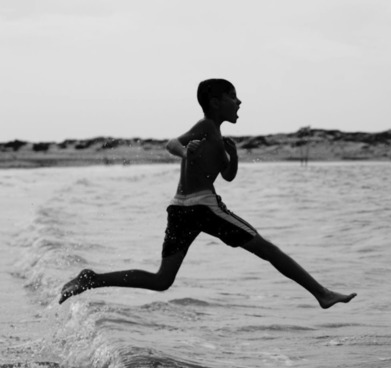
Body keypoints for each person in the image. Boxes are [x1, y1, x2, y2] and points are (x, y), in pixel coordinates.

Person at [59, 79, 356, 309]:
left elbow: (227, 176)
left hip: (180, 209)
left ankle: (92, 279)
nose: (239, 101)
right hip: (203, 207)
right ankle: (322, 293)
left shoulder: (218, 136)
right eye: (232, 96)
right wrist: (185, 150)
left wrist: (234, 155)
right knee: (269, 250)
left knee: (162, 280)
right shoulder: (205, 126)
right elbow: (171, 143)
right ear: (215, 102)